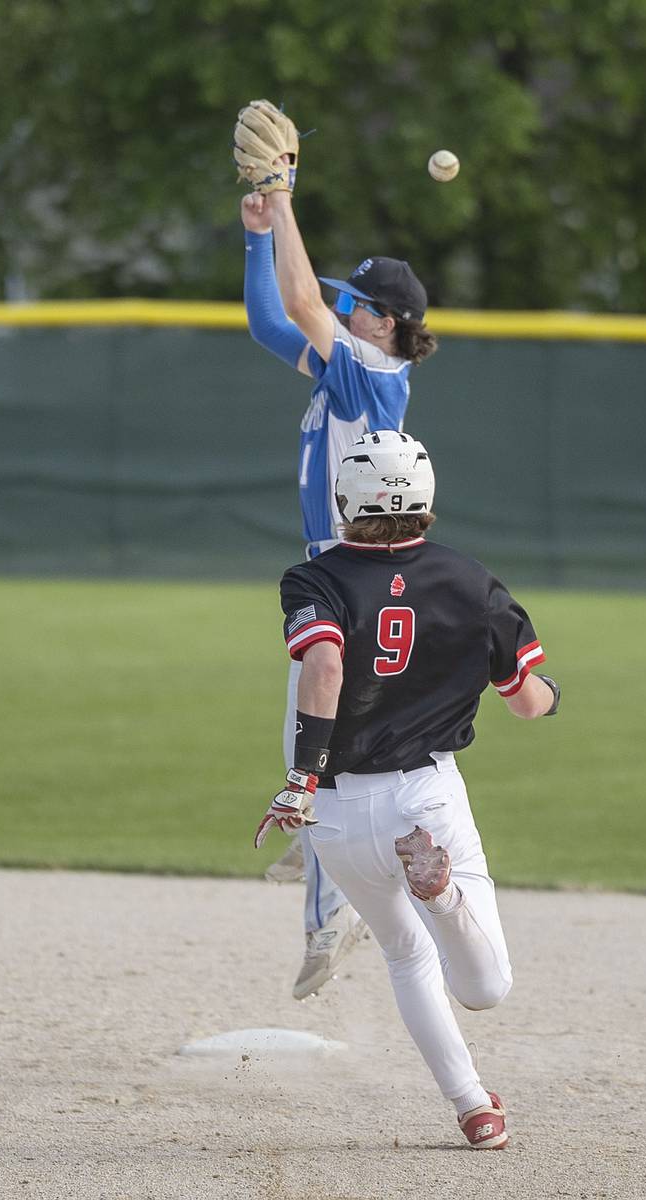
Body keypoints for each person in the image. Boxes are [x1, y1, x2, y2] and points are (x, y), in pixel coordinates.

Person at [255, 430, 560, 1149]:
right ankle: (444, 895)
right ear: (426, 497)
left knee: (403, 953)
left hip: (334, 808)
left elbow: (323, 666)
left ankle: (473, 1108)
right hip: (425, 798)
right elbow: (525, 701)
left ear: (346, 500)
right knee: (486, 988)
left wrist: (299, 781)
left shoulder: (314, 578)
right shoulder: (469, 579)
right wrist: (551, 691)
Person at [240, 122, 438, 1001]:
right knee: (314, 745)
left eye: (355, 304)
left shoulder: (369, 372)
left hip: (350, 575)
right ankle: (328, 878)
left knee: (318, 754)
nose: (341, 309)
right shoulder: (343, 371)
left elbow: (299, 298)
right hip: (339, 568)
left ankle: (334, 912)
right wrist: (257, 228)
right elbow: (268, 316)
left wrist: (282, 196)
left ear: (385, 322)